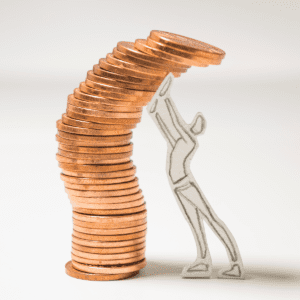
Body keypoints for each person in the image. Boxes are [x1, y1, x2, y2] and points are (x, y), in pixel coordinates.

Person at [147, 74, 245, 279]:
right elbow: (169, 125)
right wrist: (159, 103)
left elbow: (172, 121)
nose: (197, 123)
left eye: (199, 124)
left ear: (198, 130)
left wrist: (164, 98)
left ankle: (235, 263)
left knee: (211, 219)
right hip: (178, 186)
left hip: (185, 185)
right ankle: (202, 260)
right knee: (196, 223)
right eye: (196, 121)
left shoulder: (187, 141)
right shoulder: (180, 138)